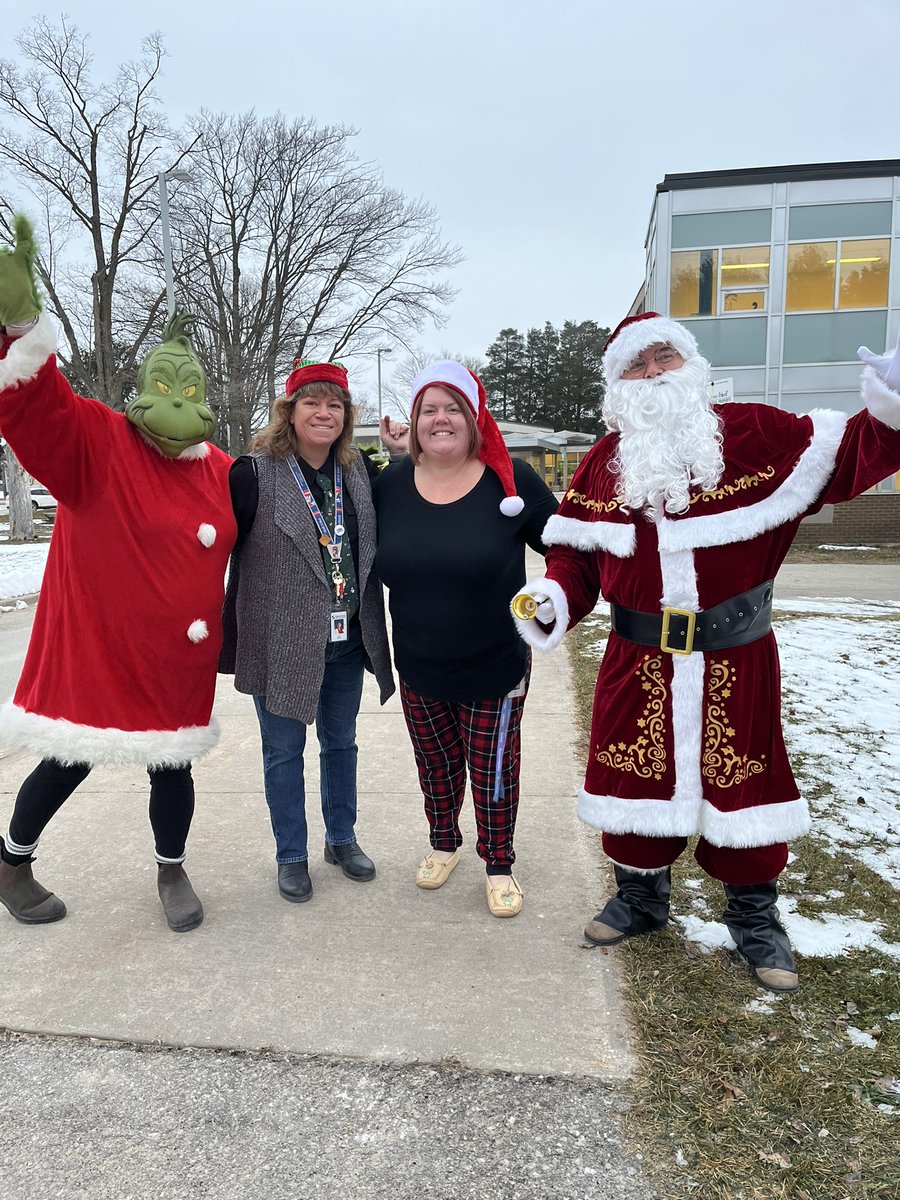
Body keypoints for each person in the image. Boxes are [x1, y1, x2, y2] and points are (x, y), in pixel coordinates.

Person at [512, 311, 900, 990]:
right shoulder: (605, 464)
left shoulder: (757, 433)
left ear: (690, 361)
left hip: (738, 657)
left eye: (664, 355)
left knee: (744, 785)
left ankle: (754, 918)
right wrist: (550, 602)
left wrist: (892, 406)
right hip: (638, 661)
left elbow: (855, 451)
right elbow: (575, 558)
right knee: (634, 782)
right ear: (618, 384)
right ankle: (640, 898)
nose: (654, 372)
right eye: (637, 364)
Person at [0, 217, 234, 934]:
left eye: (188, 385)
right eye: (165, 383)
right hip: (103, 649)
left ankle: (171, 869)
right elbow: (40, 407)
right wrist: (22, 328)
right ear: (144, 385)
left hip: (176, 660)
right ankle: (10, 862)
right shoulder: (99, 441)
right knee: (73, 755)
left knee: (175, 765)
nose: (177, 395)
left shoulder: (221, 469)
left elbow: (273, 524)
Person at [376, 361, 557, 917]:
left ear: (474, 417)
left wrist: (551, 603)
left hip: (495, 664)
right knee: (435, 764)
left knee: (493, 769)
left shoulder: (512, 481)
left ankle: (499, 863)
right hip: (420, 663)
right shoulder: (390, 485)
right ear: (414, 421)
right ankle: (443, 843)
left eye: (453, 407)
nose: (441, 419)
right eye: (429, 409)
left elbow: (568, 549)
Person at [220, 359, 394, 903]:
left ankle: (341, 840)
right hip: (282, 643)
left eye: (335, 404)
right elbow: (210, 543)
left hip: (347, 641)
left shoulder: (359, 472)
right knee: (283, 751)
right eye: (312, 403)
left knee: (341, 743)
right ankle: (291, 855)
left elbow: (421, 494)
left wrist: (408, 452)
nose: (324, 413)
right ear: (289, 412)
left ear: (346, 415)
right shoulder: (251, 473)